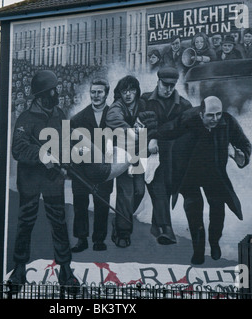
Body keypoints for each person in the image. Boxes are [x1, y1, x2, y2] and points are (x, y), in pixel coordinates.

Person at [157, 96, 252, 265]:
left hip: (214, 172)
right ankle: (198, 250)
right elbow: (167, 130)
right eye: (210, 115)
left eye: (218, 114)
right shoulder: (187, 119)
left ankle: (214, 242)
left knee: (217, 210)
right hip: (189, 172)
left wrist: (241, 155)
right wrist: (149, 135)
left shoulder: (227, 121)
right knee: (194, 210)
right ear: (201, 114)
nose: (215, 119)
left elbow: (244, 143)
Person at [10, 70, 80, 291]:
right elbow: (18, 148)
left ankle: (66, 270)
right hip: (30, 179)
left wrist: (67, 163)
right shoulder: (25, 118)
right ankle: (19, 268)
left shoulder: (59, 114)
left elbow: (67, 143)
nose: (56, 92)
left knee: (59, 223)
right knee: (25, 222)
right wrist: (42, 155)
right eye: (53, 89)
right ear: (42, 94)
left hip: (52, 179)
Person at [141, 67, 192, 245]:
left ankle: (156, 225)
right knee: (158, 189)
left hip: (173, 156)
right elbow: (138, 124)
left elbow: (189, 131)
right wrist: (151, 139)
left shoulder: (184, 105)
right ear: (158, 81)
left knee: (168, 189)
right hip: (150, 153)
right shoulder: (145, 100)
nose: (168, 89)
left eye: (172, 85)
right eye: (165, 85)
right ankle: (166, 230)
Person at [70, 78, 114, 252]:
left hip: (104, 169)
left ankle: (99, 240)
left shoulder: (114, 117)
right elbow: (70, 146)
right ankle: (81, 239)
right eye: (93, 92)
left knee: (102, 205)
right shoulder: (77, 119)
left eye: (99, 92)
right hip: (81, 170)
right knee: (80, 204)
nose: (96, 96)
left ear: (106, 93)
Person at [105, 75, 147, 248]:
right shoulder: (116, 107)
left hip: (140, 154)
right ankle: (123, 232)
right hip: (122, 154)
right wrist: (133, 131)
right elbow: (113, 119)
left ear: (137, 91)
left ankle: (121, 219)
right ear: (120, 93)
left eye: (132, 90)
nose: (128, 94)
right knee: (125, 193)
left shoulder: (142, 104)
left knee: (139, 192)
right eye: (125, 91)